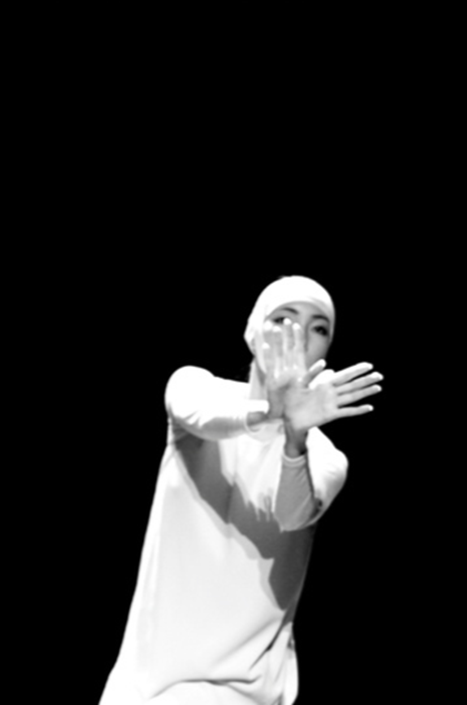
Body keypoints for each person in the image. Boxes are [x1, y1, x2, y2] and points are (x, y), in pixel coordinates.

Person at [99, 276, 383, 704]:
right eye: (282, 319)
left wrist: (294, 438)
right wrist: (270, 412)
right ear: (252, 332)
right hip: (142, 689)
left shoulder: (323, 456)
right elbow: (200, 413)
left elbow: (292, 514)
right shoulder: (197, 388)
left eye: (319, 327)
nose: (299, 335)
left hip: (244, 694)